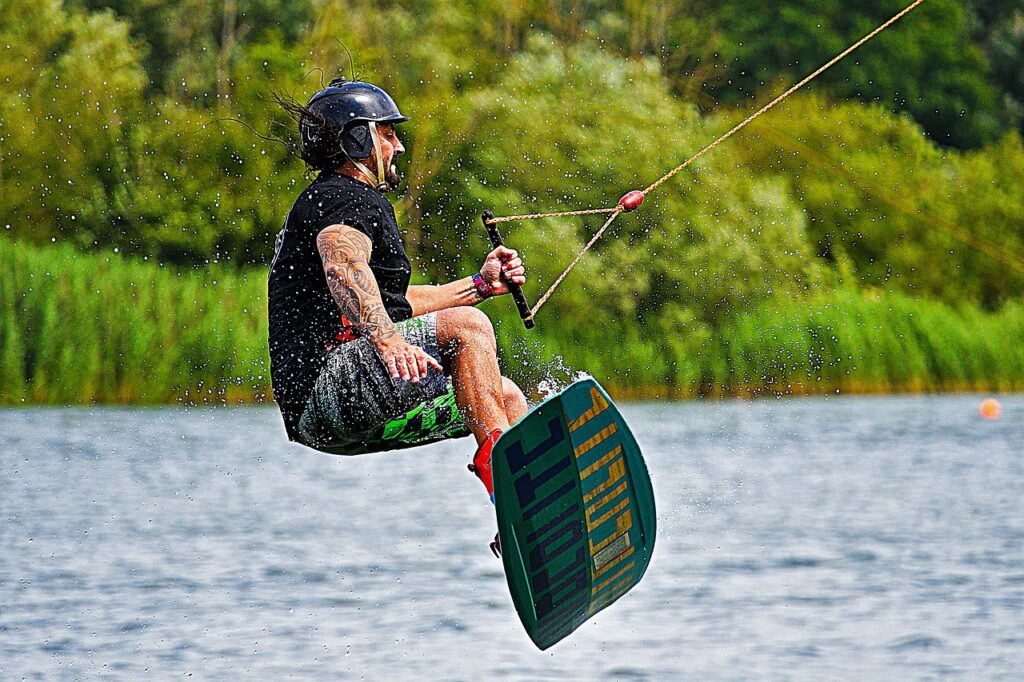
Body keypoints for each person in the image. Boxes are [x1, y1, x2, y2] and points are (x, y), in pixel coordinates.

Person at [268, 77, 528, 509]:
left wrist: (479, 286)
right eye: (388, 134)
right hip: (327, 389)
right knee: (470, 329)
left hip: (320, 421)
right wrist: (388, 341)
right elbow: (342, 265)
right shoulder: (343, 198)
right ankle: (507, 484)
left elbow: (390, 303)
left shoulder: (332, 200)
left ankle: (522, 514)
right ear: (357, 140)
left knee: (504, 396)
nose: (399, 146)